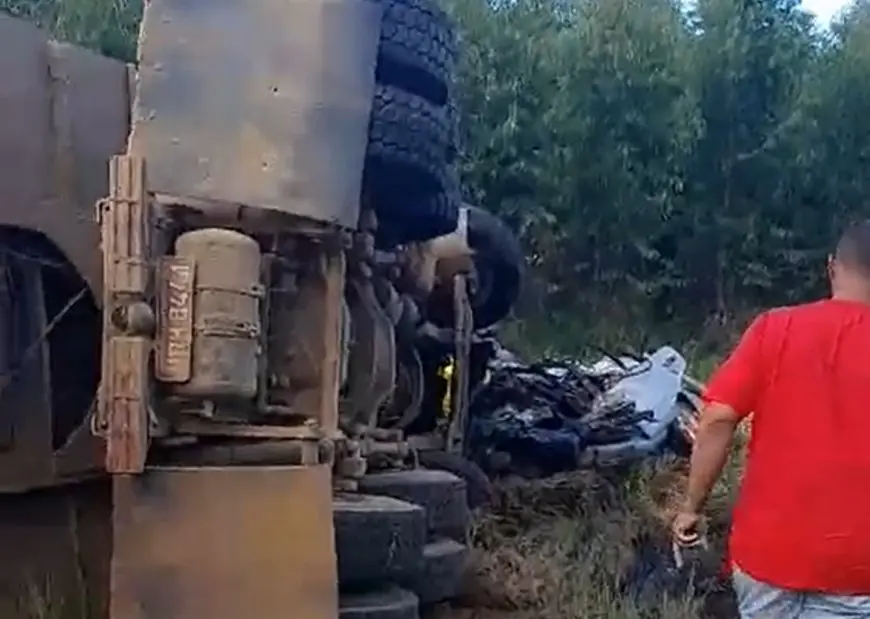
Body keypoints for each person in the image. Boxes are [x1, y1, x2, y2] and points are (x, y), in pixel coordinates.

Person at [672, 220, 870, 618]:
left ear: (832, 267)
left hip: (766, 557)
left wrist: (692, 506)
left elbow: (717, 419)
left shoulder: (775, 328)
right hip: (857, 567)